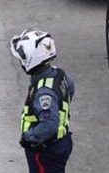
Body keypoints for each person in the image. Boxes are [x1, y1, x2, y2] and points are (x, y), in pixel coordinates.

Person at [11, 29, 75, 173]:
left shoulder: (43, 93)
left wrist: (28, 137)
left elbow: (49, 125)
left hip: (46, 150)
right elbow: (70, 88)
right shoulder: (58, 73)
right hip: (62, 142)